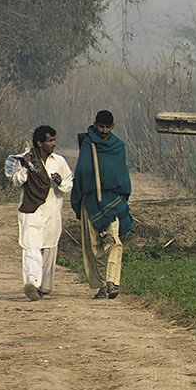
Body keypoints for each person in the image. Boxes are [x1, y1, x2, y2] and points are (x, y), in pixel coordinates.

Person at [5, 125, 73, 301]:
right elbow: (17, 182)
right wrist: (27, 167)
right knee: (31, 247)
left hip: (52, 210)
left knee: (50, 248)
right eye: (50, 140)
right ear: (40, 143)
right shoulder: (25, 160)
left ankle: (45, 287)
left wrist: (59, 182)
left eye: (54, 140)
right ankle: (32, 283)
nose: (53, 143)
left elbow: (69, 183)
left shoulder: (59, 161)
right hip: (32, 210)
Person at [70, 110, 133, 300]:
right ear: (95, 124)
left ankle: (112, 282)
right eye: (100, 127)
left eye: (107, 127)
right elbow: (82, 172)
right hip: (90, 200)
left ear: (112, 127)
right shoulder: (88, 144)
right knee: (93, 246)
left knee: (115, 241)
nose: (104, 130)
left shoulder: (118, 146)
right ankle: (99, 286)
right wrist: (79, 198)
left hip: (112, 200)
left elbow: (121, 173)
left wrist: (121, 196)